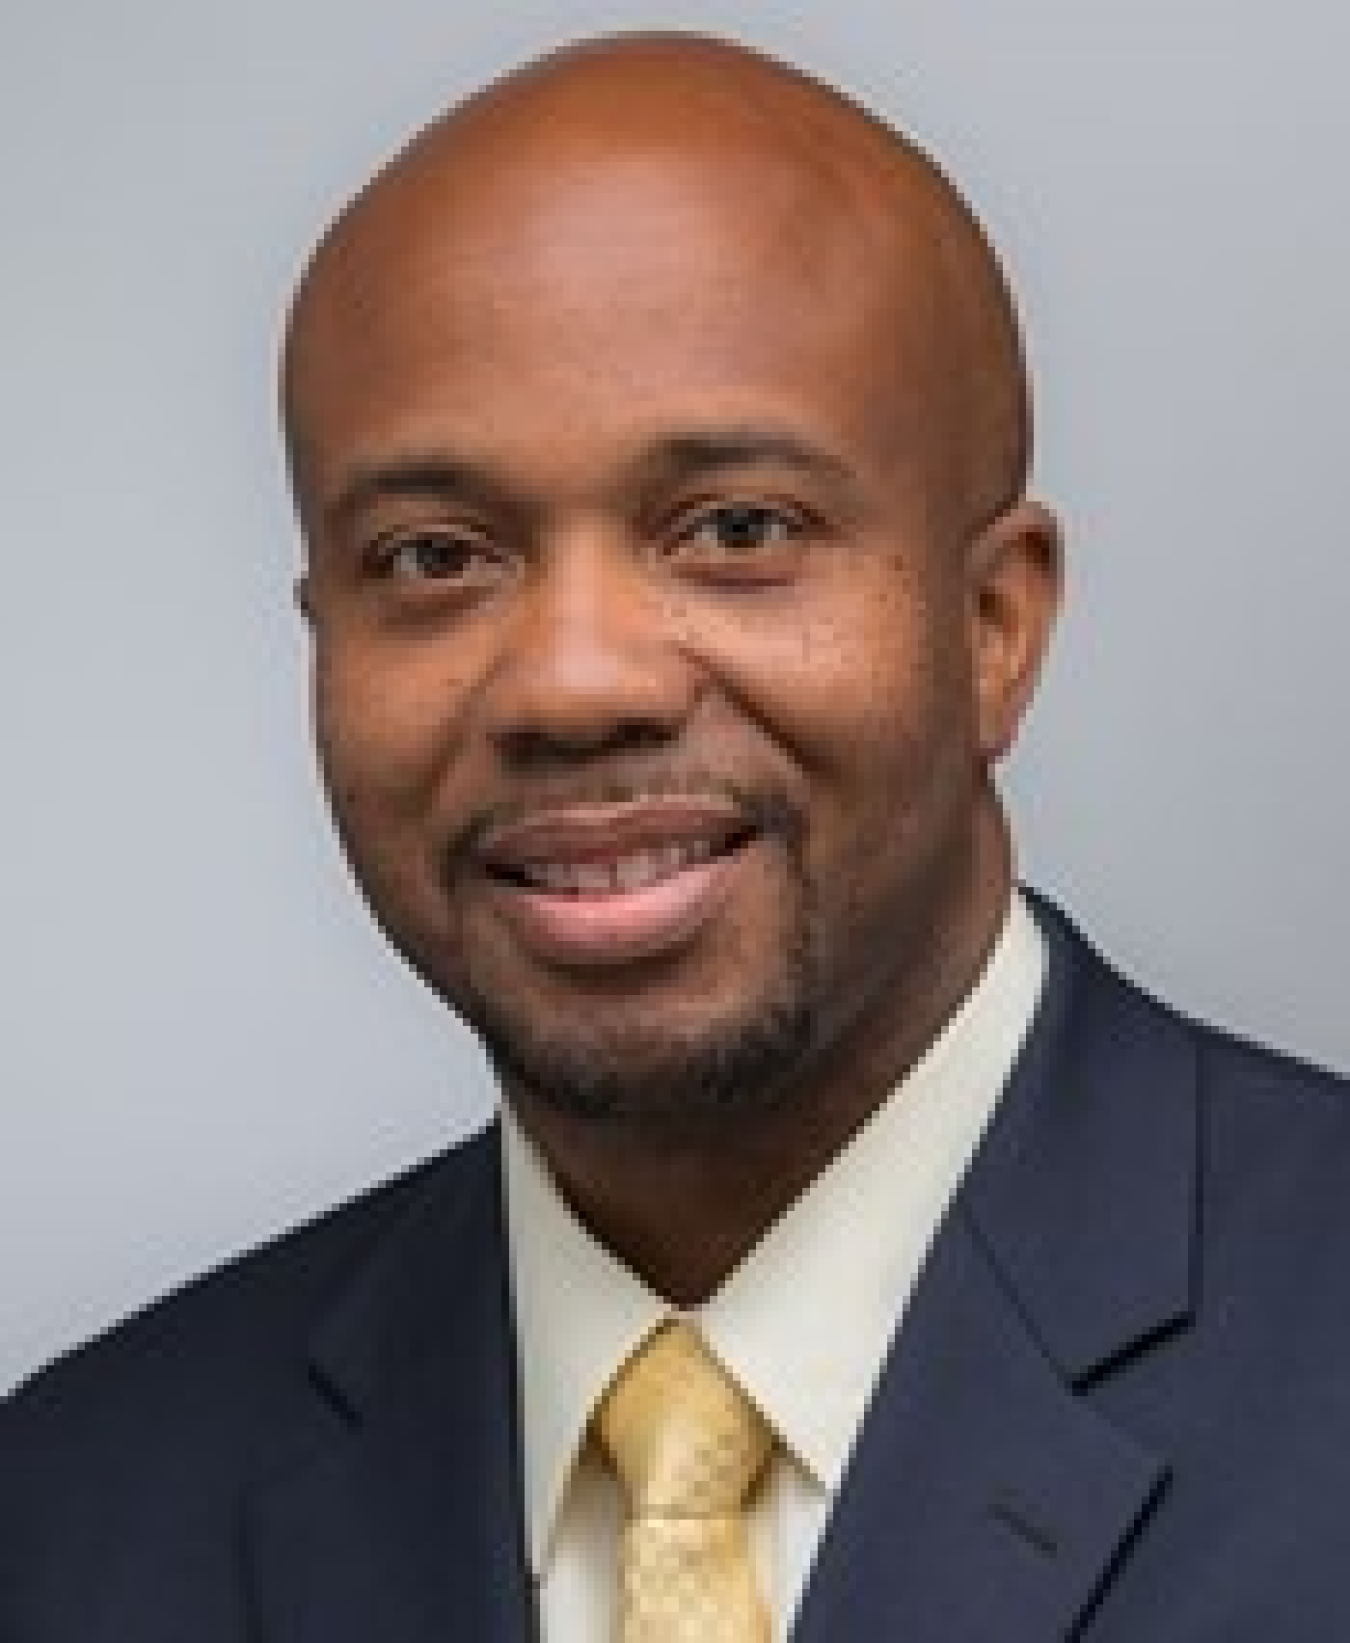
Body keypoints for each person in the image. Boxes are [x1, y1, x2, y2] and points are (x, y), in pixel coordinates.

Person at [3, 30, 1350, 1642]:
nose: (575, 681)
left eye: (735, 530)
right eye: (434, 557)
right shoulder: (77, 1515)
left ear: (995, 626)